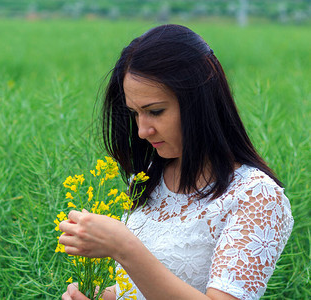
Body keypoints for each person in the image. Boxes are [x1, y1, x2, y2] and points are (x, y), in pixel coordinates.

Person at [58, 24, 294, 300]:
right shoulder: (148, 180)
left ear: (200, 101)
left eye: (155, 111)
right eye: (134, 113)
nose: (142, 131)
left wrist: (124, 246)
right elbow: (137, 289)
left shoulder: (256, 197)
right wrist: (103, 296)